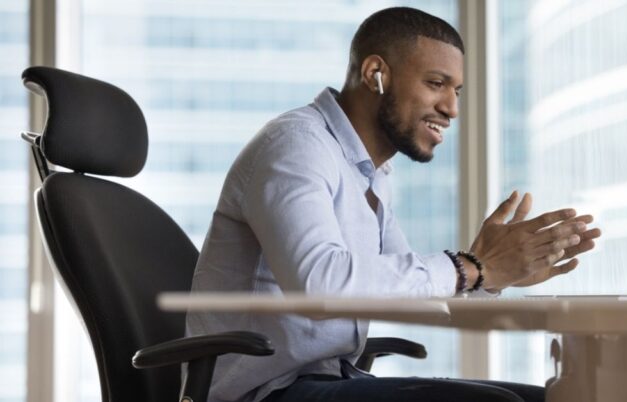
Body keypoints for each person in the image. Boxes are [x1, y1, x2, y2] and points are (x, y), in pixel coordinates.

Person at [187, 6, 601, 402]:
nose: (452, 109)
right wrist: (472, 266)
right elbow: (320, 283)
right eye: (435, 83)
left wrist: (492, 275)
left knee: (559, 398)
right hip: (265, 392)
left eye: (456, 91)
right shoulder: (296, 146)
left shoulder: (370, 174)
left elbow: (415, 293)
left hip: (328, 379)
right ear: (375, 74)